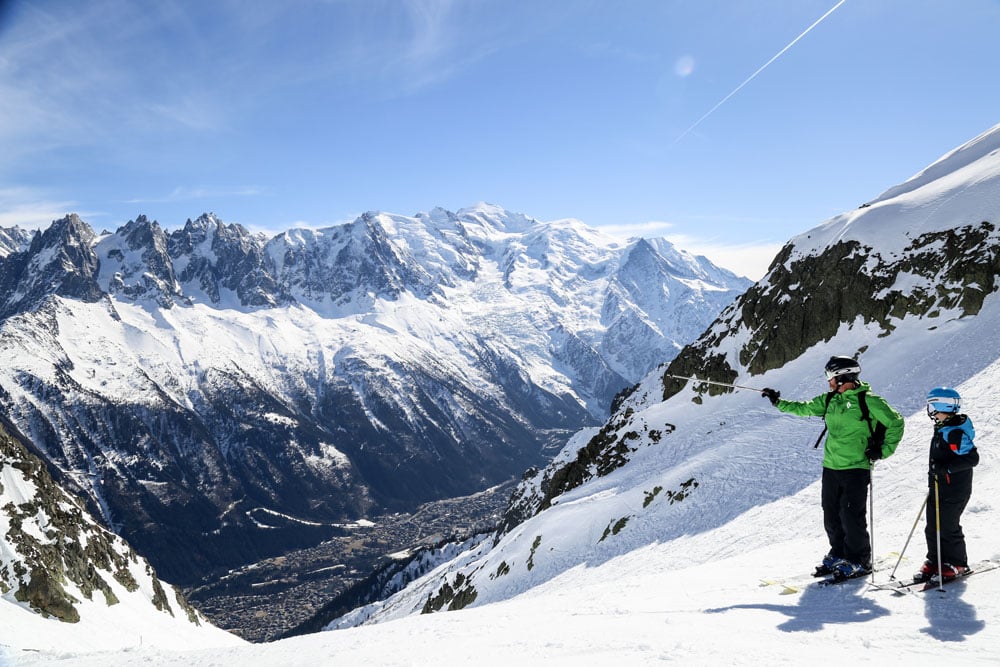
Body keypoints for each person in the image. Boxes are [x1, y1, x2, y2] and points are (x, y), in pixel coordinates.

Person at [760, 356, 904, 579]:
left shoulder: (869, 401)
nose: (828, 382)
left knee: (850, 515)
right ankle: (839, 552)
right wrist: (778, 402)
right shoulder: (830, 400)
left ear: (844, 377)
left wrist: (882, 451)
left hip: (856, 467)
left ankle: (859, 560)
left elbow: (895, 422)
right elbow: (804, 408)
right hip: (831, 466)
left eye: (831, 377)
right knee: (831, 514)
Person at [915, 387, 979, 582]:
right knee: (932, 526)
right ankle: (935, 560)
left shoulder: (954, 432)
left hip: (955, 489)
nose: (931, 411)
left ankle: (958, 563)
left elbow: (972, 459)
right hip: (938, 487)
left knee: (948, 526)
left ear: (942, 406)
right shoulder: (943, 428)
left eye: (932, 406)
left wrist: (945, 469)